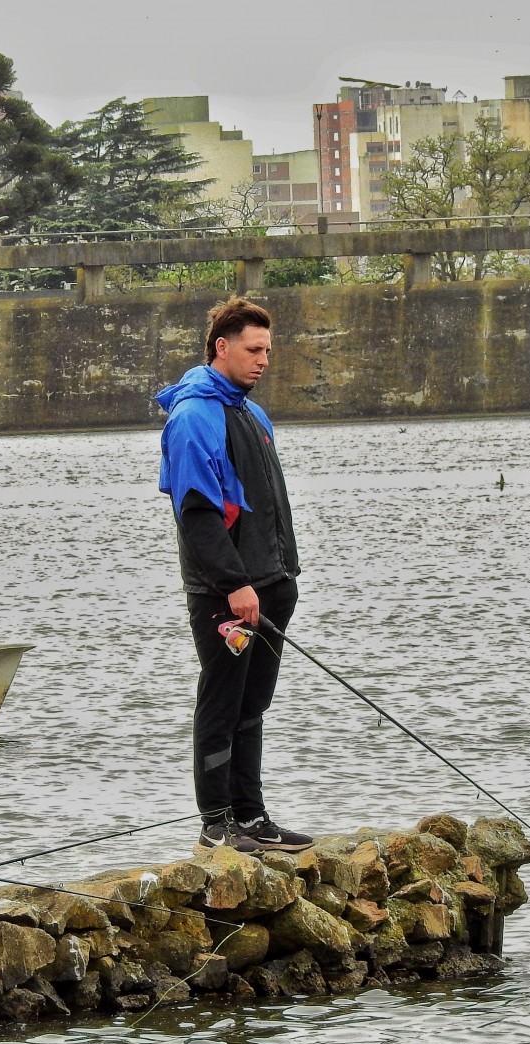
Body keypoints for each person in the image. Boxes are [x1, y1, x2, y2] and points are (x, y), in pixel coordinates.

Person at [157, 295, 312, 854]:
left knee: (254, 704)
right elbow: (197, 513)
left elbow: (265, 505)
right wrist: (235, 583)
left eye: (268, 350)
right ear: (221, 348)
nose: (263, 360)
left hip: (271, 586)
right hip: (227, 596)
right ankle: (215, 820)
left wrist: (280, 579)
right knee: (222, 701)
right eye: (253, 349)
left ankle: (252, 815)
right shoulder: (194, 415)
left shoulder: (251, 411)